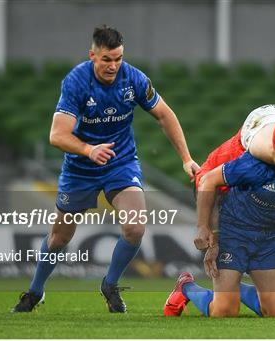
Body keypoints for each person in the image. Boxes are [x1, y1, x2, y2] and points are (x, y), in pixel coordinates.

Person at [12, 25, 199, 313]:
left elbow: (164, 115)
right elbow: (57, 135)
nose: (113, 66)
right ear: (92, 56)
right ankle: (35, 291)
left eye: (118, 59)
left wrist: (186, 158)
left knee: (135, 227)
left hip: (120, 164)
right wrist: (89, 150)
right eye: (106, 60)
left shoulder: (134, 78)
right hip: (80, 169)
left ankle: (109, 284)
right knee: (60, 237)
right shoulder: (76, 81)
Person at [164, 125, 275, 317]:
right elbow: (208, 180)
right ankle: (186, 286)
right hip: (233, 233)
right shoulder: (258, 164)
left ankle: (231, 287)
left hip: (269, 239)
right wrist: (205, 227)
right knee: (224, 311)